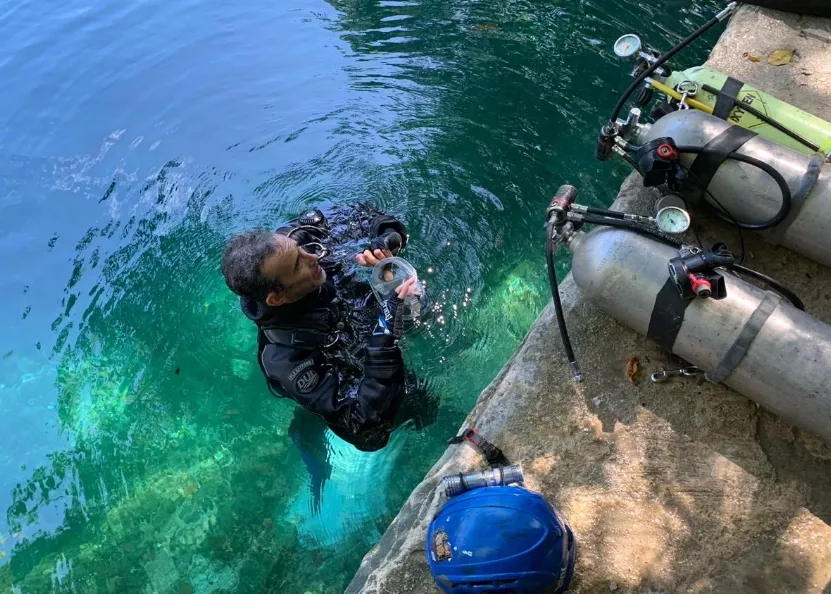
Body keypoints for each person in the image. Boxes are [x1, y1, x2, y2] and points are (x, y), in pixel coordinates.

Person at [221, 204, 433, 462]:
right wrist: (385, 333)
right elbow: (366, 431)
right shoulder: (287, 358)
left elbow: (362, 214)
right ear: (276, 298)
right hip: (335, 367)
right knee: (417, 410)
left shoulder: (290, 244)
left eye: (300, 250)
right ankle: (306, 428)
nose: (314, 256)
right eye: (299, 263)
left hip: (346, 316)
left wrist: (386, 241)